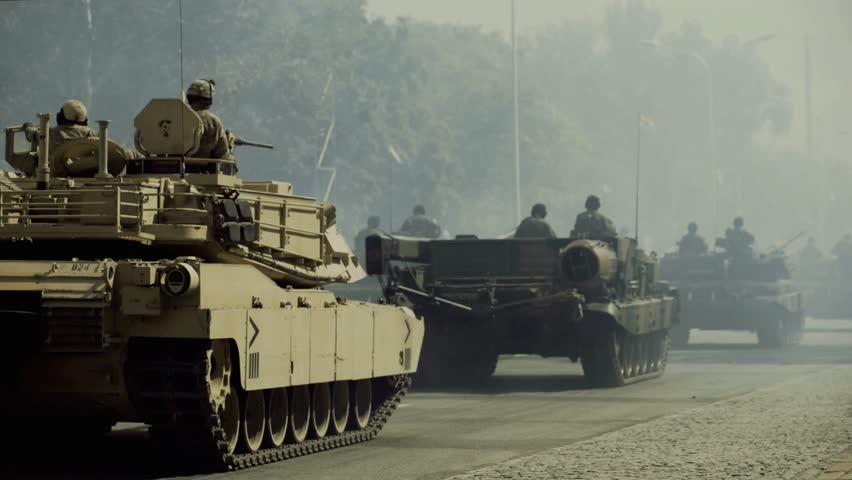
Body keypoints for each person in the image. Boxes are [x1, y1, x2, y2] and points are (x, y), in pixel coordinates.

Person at [185, 78, 232, 161]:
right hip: (203, 168)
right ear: (209, 100)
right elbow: (223, 156)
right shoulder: (213, 122)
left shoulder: (179, 117)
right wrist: (230, 147)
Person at [50, 99, 98, 165]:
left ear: (61, 116)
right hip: (84, 168)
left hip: (56, 169)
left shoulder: (50, 133)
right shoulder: (91, 133)